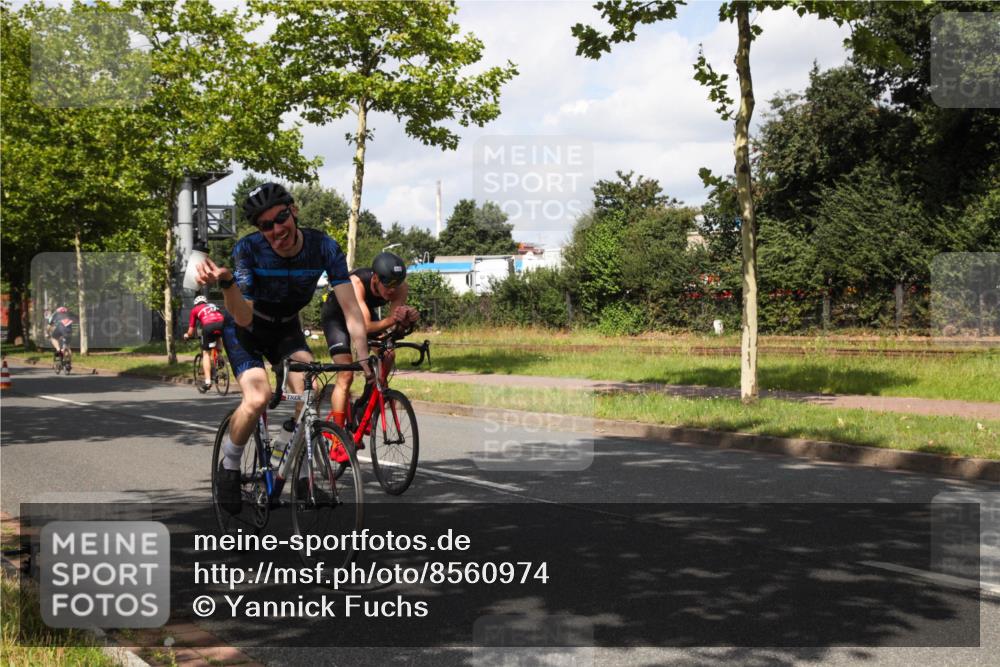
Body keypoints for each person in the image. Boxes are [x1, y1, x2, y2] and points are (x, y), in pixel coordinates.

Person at [194, 182, 371, 514]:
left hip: (286, 327)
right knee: (258, 398)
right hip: (246, 326)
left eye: (282, 218)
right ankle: (229, 466)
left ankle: (301, 474)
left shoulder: (324, 247)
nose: (277, 230)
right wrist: (228, 283)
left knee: (309, 390)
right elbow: (244, 317)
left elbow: (350, 308)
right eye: (266, 225)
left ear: (295, 211)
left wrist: (361, 355)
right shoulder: (249, 249)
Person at [320, 251, 419, 461]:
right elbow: (363, 327)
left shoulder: (400, 287)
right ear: (375, 278)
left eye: (396, 285)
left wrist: (406, 322)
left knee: (388, 353)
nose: (392, 291)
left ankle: (365, 404)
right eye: (387, 285)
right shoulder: (356, 283)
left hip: (362, 316)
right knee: (345, 374)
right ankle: (338, 436)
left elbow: (394, 330)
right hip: (337, 317)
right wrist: (394, 319)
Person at [183, 295, 226, 391]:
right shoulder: (213, 305)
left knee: (206, 353)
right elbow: (219, 317)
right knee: (218, 336)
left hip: (208, 326)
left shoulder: (195, 310)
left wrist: (187, 335)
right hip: (222, 324)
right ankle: (219, 356)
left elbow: (191, 330)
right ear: (206, 302)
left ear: (196, 304)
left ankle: (208, 382)